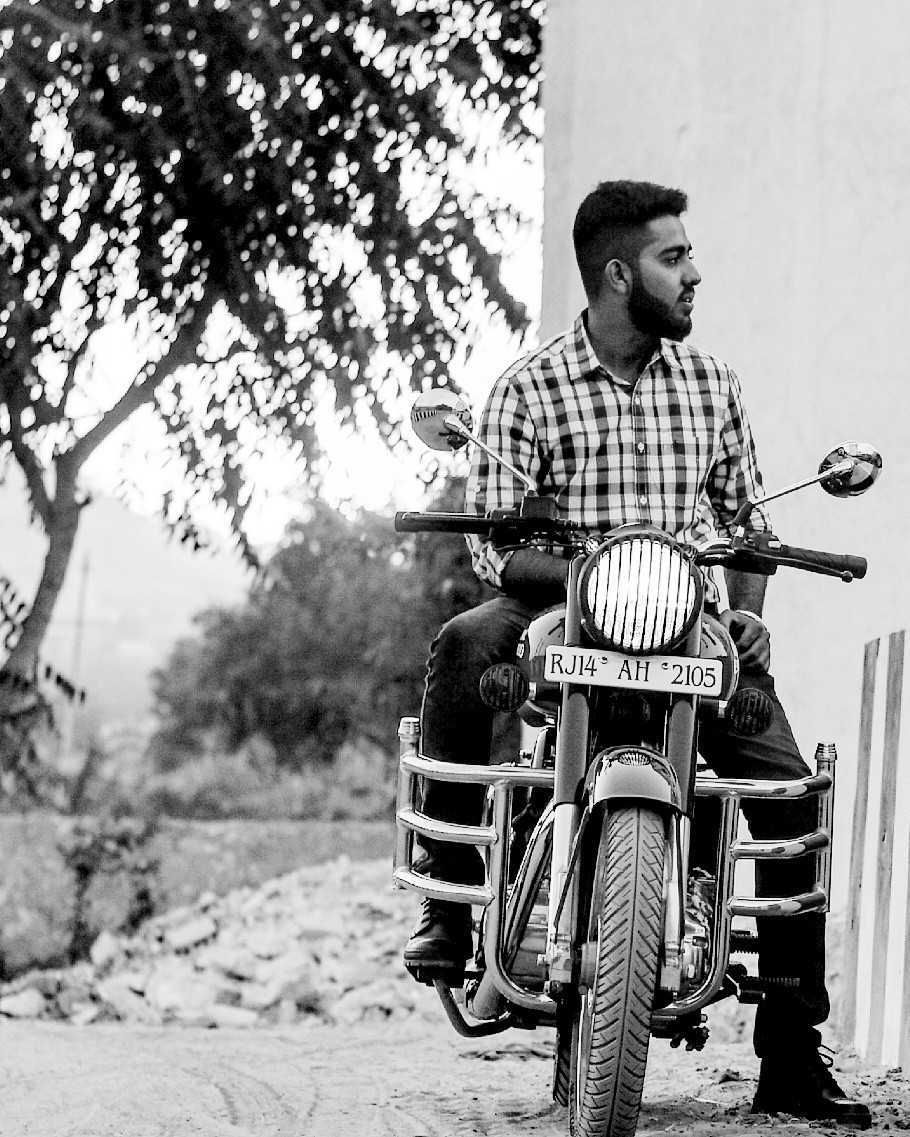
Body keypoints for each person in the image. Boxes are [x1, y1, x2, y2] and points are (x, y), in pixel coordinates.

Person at [402, 180, 870, 1129]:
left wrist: (746, 617)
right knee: (466, 639)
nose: (694, 274)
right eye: (674, 257)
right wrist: (594, 564)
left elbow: (744, 525)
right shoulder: (529, 388)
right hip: (562, 607)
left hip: (685, 616)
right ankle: (447, 906)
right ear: (619, 275)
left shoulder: (712, 384)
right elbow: (498, 543)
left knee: (786, 789)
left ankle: (791, 1050)